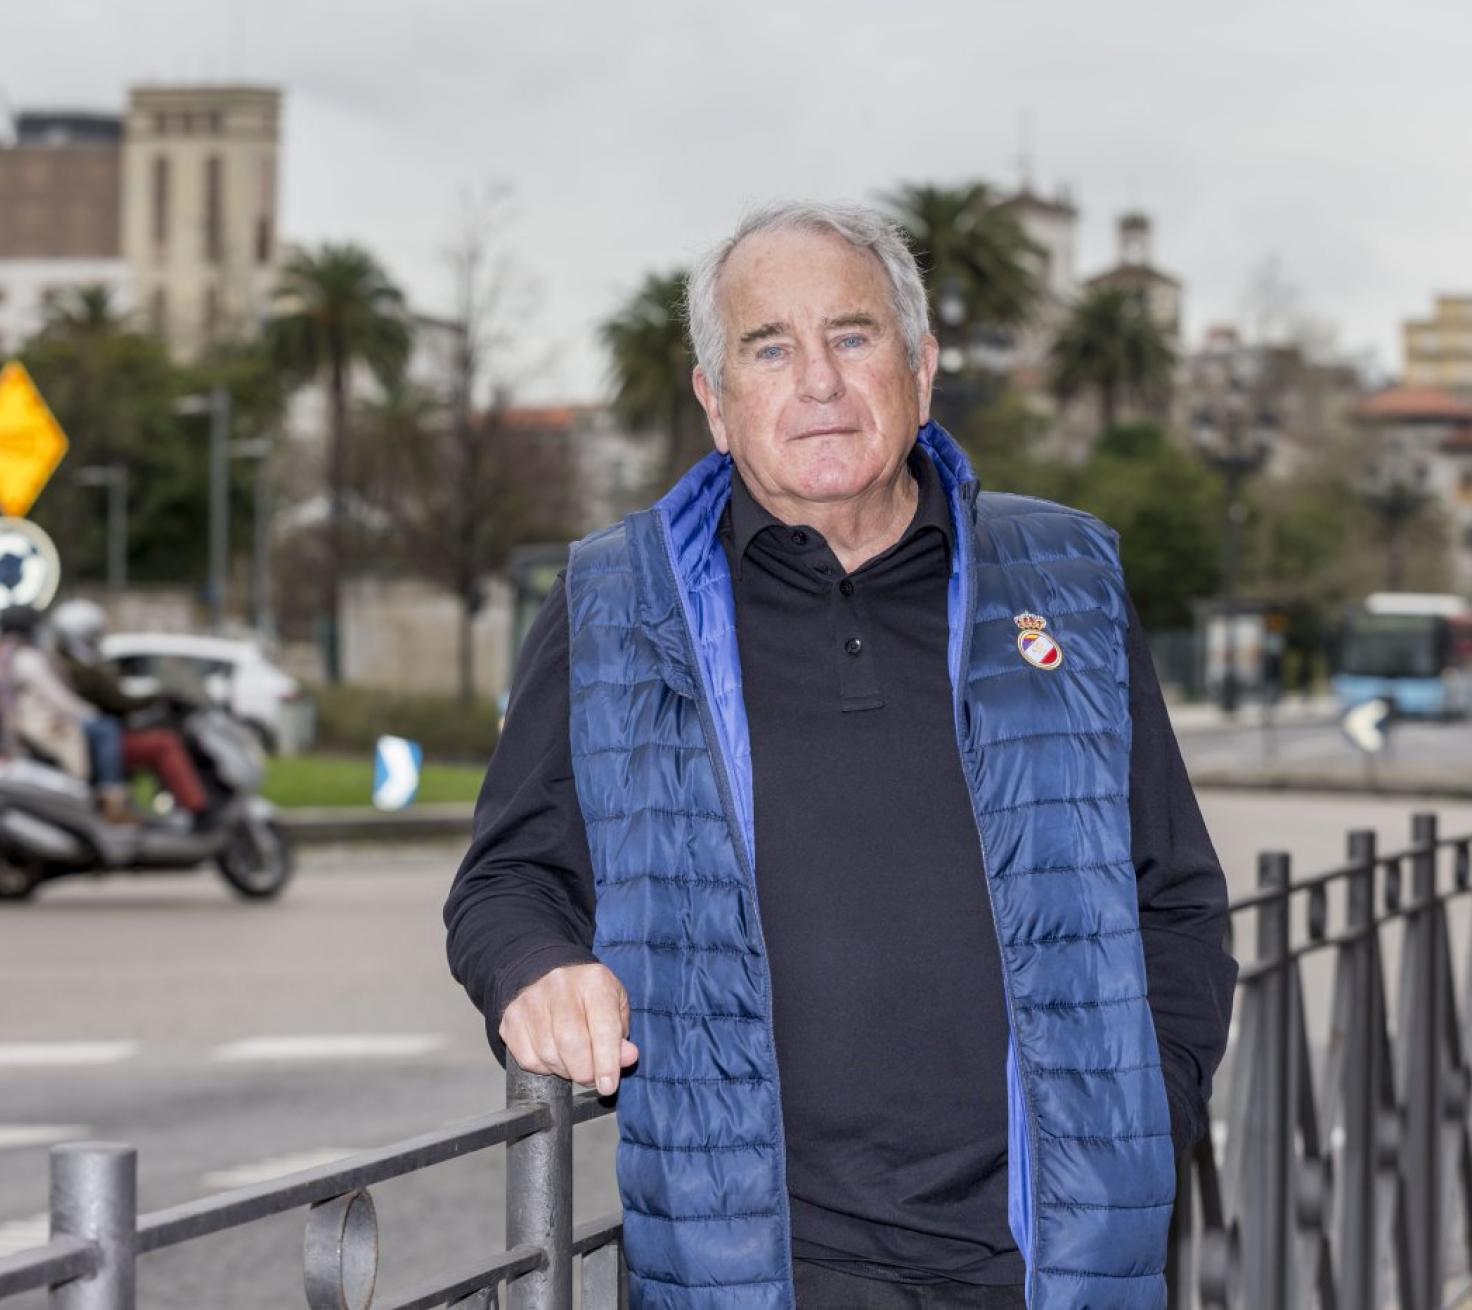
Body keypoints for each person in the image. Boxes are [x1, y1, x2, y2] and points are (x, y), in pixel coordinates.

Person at [443, 202, 1236, 1310]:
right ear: (716, 404)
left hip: (1043, 1269)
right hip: (754, 1271)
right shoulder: (615, 603)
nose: (816, 379)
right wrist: (534, 967)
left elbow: (1176, 896)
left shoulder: (1067, 578)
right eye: (769, 347)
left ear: (921, 369)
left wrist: (1143, 1120)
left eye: (852, 336)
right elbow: (507, 880)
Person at [44, 600, 210, 819]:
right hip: (91, 740)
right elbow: (116, 701)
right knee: (165, 744)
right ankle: (195, 808)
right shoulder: (79, 669)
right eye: (93, 635)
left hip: (86, 736)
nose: (97, 641)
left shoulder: (67, 664)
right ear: (79, 635)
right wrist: (159, 699)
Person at [0, 605, 134, 822]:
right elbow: (57, 697)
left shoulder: (0, 656)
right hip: (40, 727)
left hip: (24, 725)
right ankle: (111, 797)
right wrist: (90, 714)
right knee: (106, 728)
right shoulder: (26, 658)